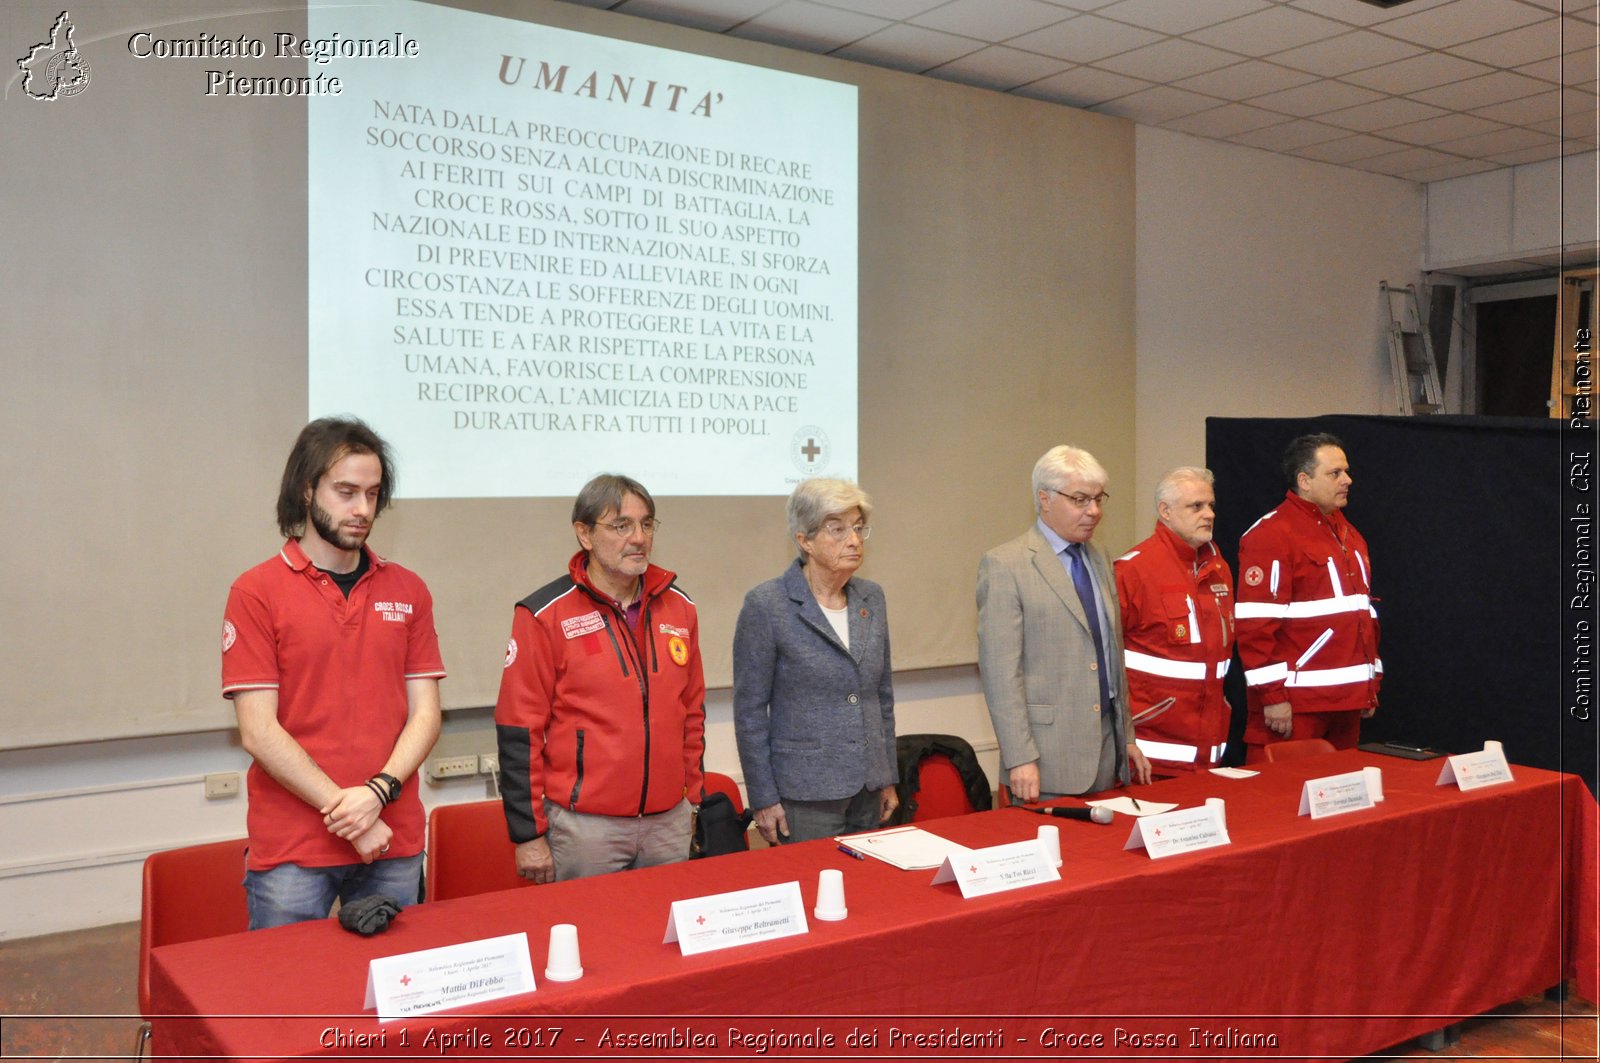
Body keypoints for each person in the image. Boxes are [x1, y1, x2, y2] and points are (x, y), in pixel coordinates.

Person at [221, 417, 445, 929]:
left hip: (393, 835)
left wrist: (378, 794)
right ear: (306, 490)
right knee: (290, 999)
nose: (363, 509)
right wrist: (350, 814)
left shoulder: (409, 589)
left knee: (400, 1000)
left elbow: (426, 714)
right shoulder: (256, 592)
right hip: (294, 849)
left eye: (372, 493)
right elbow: (258, 731)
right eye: (346, 492)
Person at [495, 474, 705, 883]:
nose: (639, 538)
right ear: (584, 534)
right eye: (621, 525)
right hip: (585, 829)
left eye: (647, 524)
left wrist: (692, 801)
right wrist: (528, 835)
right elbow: (518, 729)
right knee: (590, 942)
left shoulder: (680, 608)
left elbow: (692, 713)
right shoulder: (543, 615)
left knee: (668, 941)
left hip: (669, 825)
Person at [978, 445, 1152, 802]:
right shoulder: (1005, 565)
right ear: (1045, 499)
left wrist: (1127, 736)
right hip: (1044, 761)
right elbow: (1000, 674)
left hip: (1108, 753)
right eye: (1080, 499)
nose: (1094, 511)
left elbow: (1111, 654)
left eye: (1098, 499)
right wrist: (1020, 757)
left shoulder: (1100, 557)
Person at [733, 479, 899, 845]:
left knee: (871, 894)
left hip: (869, 789)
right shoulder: (767, 605)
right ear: (804, 540)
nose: (854, 540)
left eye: (858, 528)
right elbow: (749, 711)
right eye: (837, 529)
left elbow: (881, 695)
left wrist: (887, 774)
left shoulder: (872, 597)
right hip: (805, 795)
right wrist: (763, 798)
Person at [1236, 433, 1380, 760]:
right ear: (1304, 480)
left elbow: (1364, 616)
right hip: (1295, 707)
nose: (1348, 480)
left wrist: (1370, 684)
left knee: (1346, 806)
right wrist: (1273, 697)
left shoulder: (1349, 534)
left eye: (1346, 471)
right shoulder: (1271, 535)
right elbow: (1255, 628)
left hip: (1348, 703)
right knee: (1280, 804)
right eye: (1335, 473)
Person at [1114, 467, 1235, 774]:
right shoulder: (1133, 571)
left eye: (1210, 506)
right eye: (1196, 506)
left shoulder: (1218, 569)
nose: (1208, 514)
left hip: (1210, 752)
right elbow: (1104, 662)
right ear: (1164, 511)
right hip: (1152, 754)